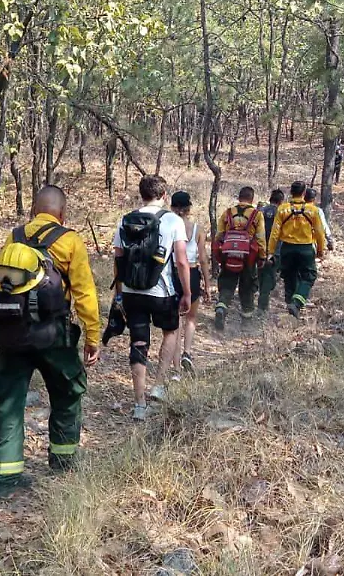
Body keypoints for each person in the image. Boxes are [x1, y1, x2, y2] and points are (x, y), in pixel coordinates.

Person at [0, 185, 101, 498]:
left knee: (9, 401)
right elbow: (84, 293)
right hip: (54, 336)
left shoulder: (15, 236)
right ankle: (63, 462)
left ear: (33, 211)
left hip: (12, 334)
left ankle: (5, 477)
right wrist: (93, 337)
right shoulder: (69, 240)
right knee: (67, 392)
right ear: (62, 214)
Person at [112, 175, 190, 421]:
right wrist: (187, 292)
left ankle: (139, 404)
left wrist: (119, 293)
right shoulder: (173, 220)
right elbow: (180, 260)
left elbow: (118, 258)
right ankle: (158, 384)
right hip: (162, 292)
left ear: (141, 194)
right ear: (164, 195)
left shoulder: (125, 220)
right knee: (170, 332)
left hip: (133, 292)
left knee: (138, 342)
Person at [268, 180, 327, 318]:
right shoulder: (312, 210)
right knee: (309, 276)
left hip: (286, 248)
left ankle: (291, 306)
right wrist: (320, 250)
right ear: (304, 193)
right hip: (305, 248)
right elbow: (319, 231)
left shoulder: (283, 209)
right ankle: (297, 303)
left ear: (291, 192)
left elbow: (275, 232)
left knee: (289, 276)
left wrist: (271, 251)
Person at [212, 186, 266, 330]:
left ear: (239, 197)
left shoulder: (228, 213)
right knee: (247, 287)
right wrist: (262, 257)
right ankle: (246, 322)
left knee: (227, 284)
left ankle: (221, 307)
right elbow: (260, 238)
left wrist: (219, 256)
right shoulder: (257, 215)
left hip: (229, 255)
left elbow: (219, 236)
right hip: (249, 257)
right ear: (252, 199)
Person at [170, 191, 210, 373]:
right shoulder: (197, 229)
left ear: (172, 207)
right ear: (189, 209)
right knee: (191, 318)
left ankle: (176, 366)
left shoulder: (167, 226)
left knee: (175, 321)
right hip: (193, 274)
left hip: (173, 275)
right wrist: (207, 285)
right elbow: (203, 259)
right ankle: (187, 352)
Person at [257, 189, 285, 312]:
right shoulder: (282, 213)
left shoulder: (260, 211)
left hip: (259, 249)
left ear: (270, 199)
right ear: (281, 201)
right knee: (270, 277)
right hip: (275, 251)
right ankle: (262, 304)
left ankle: (260, 297)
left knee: (261, 274)